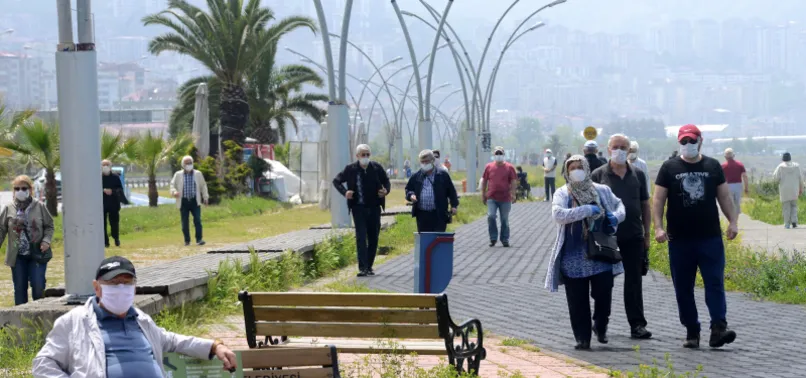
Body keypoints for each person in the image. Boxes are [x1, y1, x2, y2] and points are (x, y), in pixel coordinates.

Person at [33, 256, 237, 376]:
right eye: (114, 283)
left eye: (127, 283)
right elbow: (43, 363)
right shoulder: (75, 322)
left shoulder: (141, 320)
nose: (121, 289)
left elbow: (172, 340)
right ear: (97, 287)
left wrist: (214, 346)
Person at [653, 124, 738, 349]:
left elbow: (724, 197)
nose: (688, 145)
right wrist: (658, 228)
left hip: (709, 237)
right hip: (679, 239)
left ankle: (718, 328)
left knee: (714, 283)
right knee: (683, 287)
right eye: (684, 141)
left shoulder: (712, 166)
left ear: (700, 141)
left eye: (692, 141)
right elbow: (658, 200)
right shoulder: (669, 167)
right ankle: (692, 330)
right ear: (678, 142)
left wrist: (733, 221)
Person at [545, 155, 625, 350]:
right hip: (572, 258)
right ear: (566, 172)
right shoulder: (562, 193)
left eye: (580, 167)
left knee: (604, 294)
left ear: (587, 168)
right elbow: (558, 215)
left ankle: (600, 324)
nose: (576, 171)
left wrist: (616, 217)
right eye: (572, 168)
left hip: (600, 253)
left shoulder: (601, 190)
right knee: (577, 301)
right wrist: (587, 210)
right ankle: (582, 338)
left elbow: (619, 205)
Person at [591, 134, 653, 340]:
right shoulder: (598, 174)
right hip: (607, 237)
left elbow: (645, 204)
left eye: (624, 147)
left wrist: (647, 234)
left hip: (633, 235)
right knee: (604, 282)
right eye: (615, 147)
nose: (619, 150)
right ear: (608, 149)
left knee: (634, 281)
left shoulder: (638, 174)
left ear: (629, 150)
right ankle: (600, 323)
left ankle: (637, 324)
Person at [333, 144, 391, 277]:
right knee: (361, 237)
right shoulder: (351, 169)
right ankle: (362, 267)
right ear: (357, 156)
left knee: (373, 237)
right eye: (363, 155)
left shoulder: (376, 168)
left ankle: (369, 266)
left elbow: (386, 181)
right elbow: (336, 181)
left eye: (367, 154)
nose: (365, 157)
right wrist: (345, 192)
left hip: (374, 208)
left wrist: (386, 191)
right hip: (358, 208)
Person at [0, 175, 55, 306]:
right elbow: (1, 229)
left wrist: (46, 241)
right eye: (17, 188)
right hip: (17, 256)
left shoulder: (39, 206)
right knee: (19, 288)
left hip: (37, 253)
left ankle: (39, 314)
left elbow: (49, 226)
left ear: (30, 189)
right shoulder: (9, 208)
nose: (20, 191)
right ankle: (20, 318)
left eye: (23, 188)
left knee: (38, 286)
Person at [405, 149, 459, 232]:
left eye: (426, 161)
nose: (424, 164)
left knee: (438, 238)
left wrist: (454, 206)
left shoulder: (442, 175)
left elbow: (451, 191)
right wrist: (411, 195)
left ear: (432, 161)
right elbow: (408, 189)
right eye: (422, 162)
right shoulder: (416, 176)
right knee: (425, 238)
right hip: (422, 216)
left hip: (439, 214)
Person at [482, 146, 518, 247]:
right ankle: (493, 238)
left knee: (504, 220)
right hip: (491, 197)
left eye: (500, 153)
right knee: (491, 216)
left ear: (503, 155)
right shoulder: (489, 167)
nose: (498, 155)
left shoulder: (509, 167)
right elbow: (484, 181)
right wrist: (483, 194)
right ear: (494, 155)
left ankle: (504, 239)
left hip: (505, 198)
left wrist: (513, 194)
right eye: (497, 154)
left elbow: (513, 181)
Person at [171, 156, 209, 246]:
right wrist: (174, 192)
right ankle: (187, 240)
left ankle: (199, 239)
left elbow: (203, 186)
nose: (189, 165)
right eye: (187, 163)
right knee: (185, 222)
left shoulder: (198, 174)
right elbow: (172, 185)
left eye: (190, 163)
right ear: (183, 165)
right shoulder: (178, 174)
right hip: (183, 201)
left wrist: (205, 197)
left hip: (194, 201)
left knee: (197, 220)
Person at [773, 152, 803, 229]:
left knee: (786, 207)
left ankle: (787, 224)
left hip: (784, 190)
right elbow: (801, 178)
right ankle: (794, 222)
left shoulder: (780, 167)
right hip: (794, 189)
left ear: (783, 159)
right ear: (790, 158)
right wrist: (801, 188)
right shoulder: (796, 166)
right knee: (794, 206)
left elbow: (775, 178)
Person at [102, 160, 128, 248]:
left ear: (110, 166)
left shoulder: (115, 177)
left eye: (107, 165)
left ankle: (116, 238)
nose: (105, 167)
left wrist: (112, 191)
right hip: (102, 204)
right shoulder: (98, 177)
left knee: (114, 223)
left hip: (113, 203)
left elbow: (120, 190)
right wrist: (103, 190)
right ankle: (105, 242)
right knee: (102, 224)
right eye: (103, 165)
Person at [719, 148, 748, 215]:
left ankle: (731, 218)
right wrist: (746, 188)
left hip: (728, 186)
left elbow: (720, 179)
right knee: (737, 203)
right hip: (738, 185)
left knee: (730, 203)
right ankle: (736, 217)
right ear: (733, 155)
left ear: (725, 157)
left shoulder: (723, 166)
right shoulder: (740, 164)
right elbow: (745, 176)